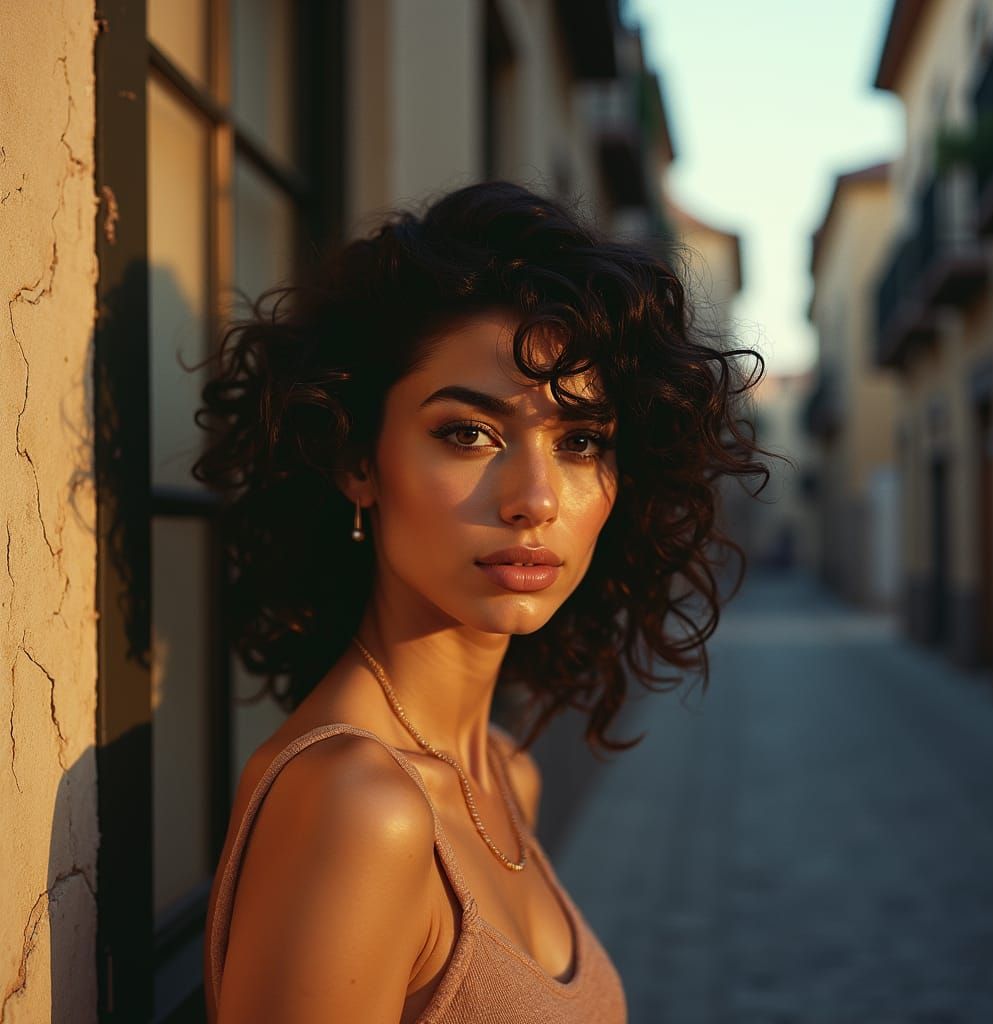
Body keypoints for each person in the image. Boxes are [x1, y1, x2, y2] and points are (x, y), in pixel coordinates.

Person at [194, 180, 769, 1023]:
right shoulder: (356, 806)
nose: (535, 498)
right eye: (469, 433)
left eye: (580, 442)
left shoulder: (506, 773)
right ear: (358, 460)